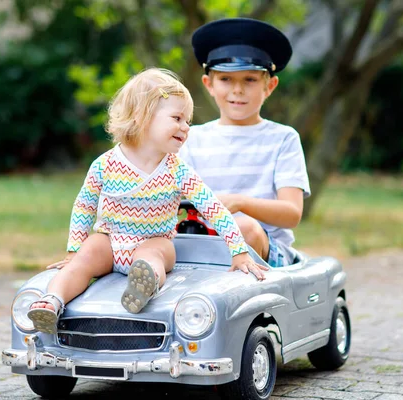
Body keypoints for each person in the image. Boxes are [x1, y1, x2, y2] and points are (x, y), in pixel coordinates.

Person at [27, 67, 269, 334]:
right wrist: (74, 249)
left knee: (153, 256)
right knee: (84, 259)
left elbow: (212, 209)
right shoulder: (106, 164)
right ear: (143, 117)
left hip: (156, 240)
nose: (186, 127)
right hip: (111, 238)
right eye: (177, 118)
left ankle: (143, 285)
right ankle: (52, 301)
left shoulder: (178, 171)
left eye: (187, 121)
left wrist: (239, 250)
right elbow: (84, 205)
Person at [179, 18, 311, 268]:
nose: (237, 90)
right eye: (226, 80)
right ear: (209, 84)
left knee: (243, 226)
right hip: (200, 247)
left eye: (249, 80)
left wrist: (239, 202)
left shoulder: (283, 138)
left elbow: (292, 214)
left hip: (265, 250)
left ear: (269, 86)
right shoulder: (191, 138)